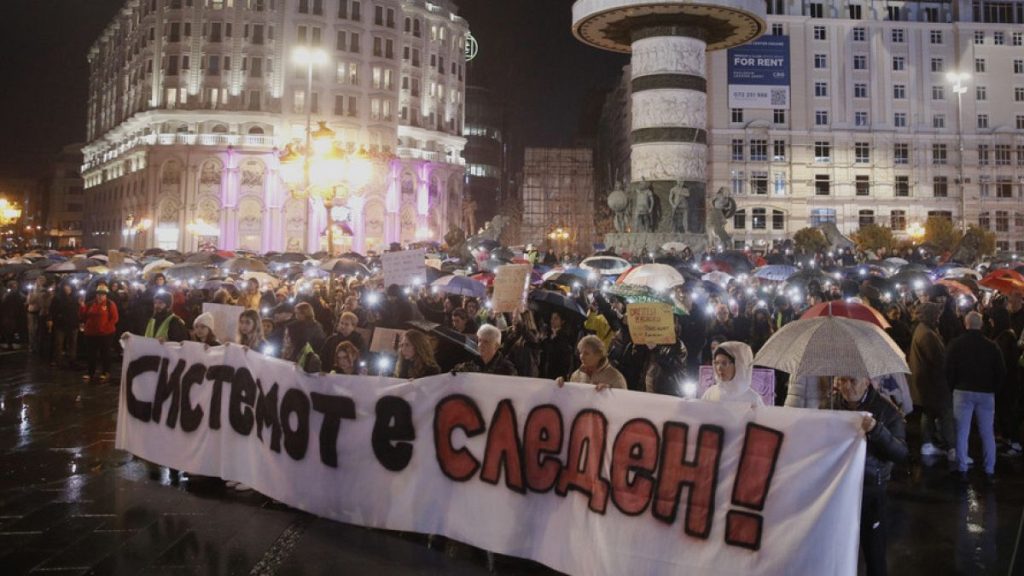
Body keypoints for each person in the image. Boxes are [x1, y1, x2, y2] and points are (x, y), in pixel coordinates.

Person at [832, 375, 908, 576]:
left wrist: (876, 430)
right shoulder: (829, 406)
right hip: (837, 490)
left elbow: (900, 453)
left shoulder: (887, 410)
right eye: (842, 381)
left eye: (853, 381)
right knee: (836, 551)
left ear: (866, 381)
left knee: (874, 554)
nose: (847, 387)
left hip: (870, 490)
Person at [946, 312, 1004, 483]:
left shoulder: (956, 344)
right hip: (986, 392)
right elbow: (1001, 371)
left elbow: (948, 368)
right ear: (981, 325)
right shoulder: (991, 346)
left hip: (962, 390)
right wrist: (993, 388)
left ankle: (962, 467)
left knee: (962, 431)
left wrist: (953, 386)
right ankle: (989, 468)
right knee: (987, 432)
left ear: (966, 324)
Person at [908, 303, 956, 461]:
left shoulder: (922, 330)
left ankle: (927, 443)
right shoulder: (927, 335)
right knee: (945, 412)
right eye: (937, 315)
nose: (938, 318)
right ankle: (951, 447)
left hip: (925, 383)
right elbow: (938, 361)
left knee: (928, 413)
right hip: (933, 383)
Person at [702, 341, 764, 407]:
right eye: (716, 363)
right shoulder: (711, 394)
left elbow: (761, 414)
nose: (719, 368)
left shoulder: (753, 399)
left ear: (739, 365)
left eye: (724, 363)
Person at [556, 335, 626, 391]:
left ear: (598, 354)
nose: (581, 357)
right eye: (580, 353)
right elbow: (571, 398)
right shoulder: (576, 375)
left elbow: (622, 401)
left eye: (586, 353)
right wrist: (561, 386)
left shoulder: (615, 378)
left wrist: (609, 392)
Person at [80, 285, 119, 384]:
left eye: (102, 294)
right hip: (91, 334)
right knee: (91, 354)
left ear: (106, 295)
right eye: (98, 294)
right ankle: (90, 372)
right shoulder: (90, 304)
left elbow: (114, 318)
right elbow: (83, 316)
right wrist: (82, 306)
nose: (100, 296)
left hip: (106, 334)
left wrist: (105, 328)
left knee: (105, 353)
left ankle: (106, 372)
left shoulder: (110, 304)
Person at [49, 282, 81, 369]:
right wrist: (52, 319)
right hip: (61, 324)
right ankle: (58, 361)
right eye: (66, 287)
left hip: (72, 323)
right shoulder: (57, 298)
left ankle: (72, 360)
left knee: (72, 343)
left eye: (69, 287)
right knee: (59, 343)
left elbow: (77, 310)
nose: (68, 289)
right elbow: (52, 310)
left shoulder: (74, 297)